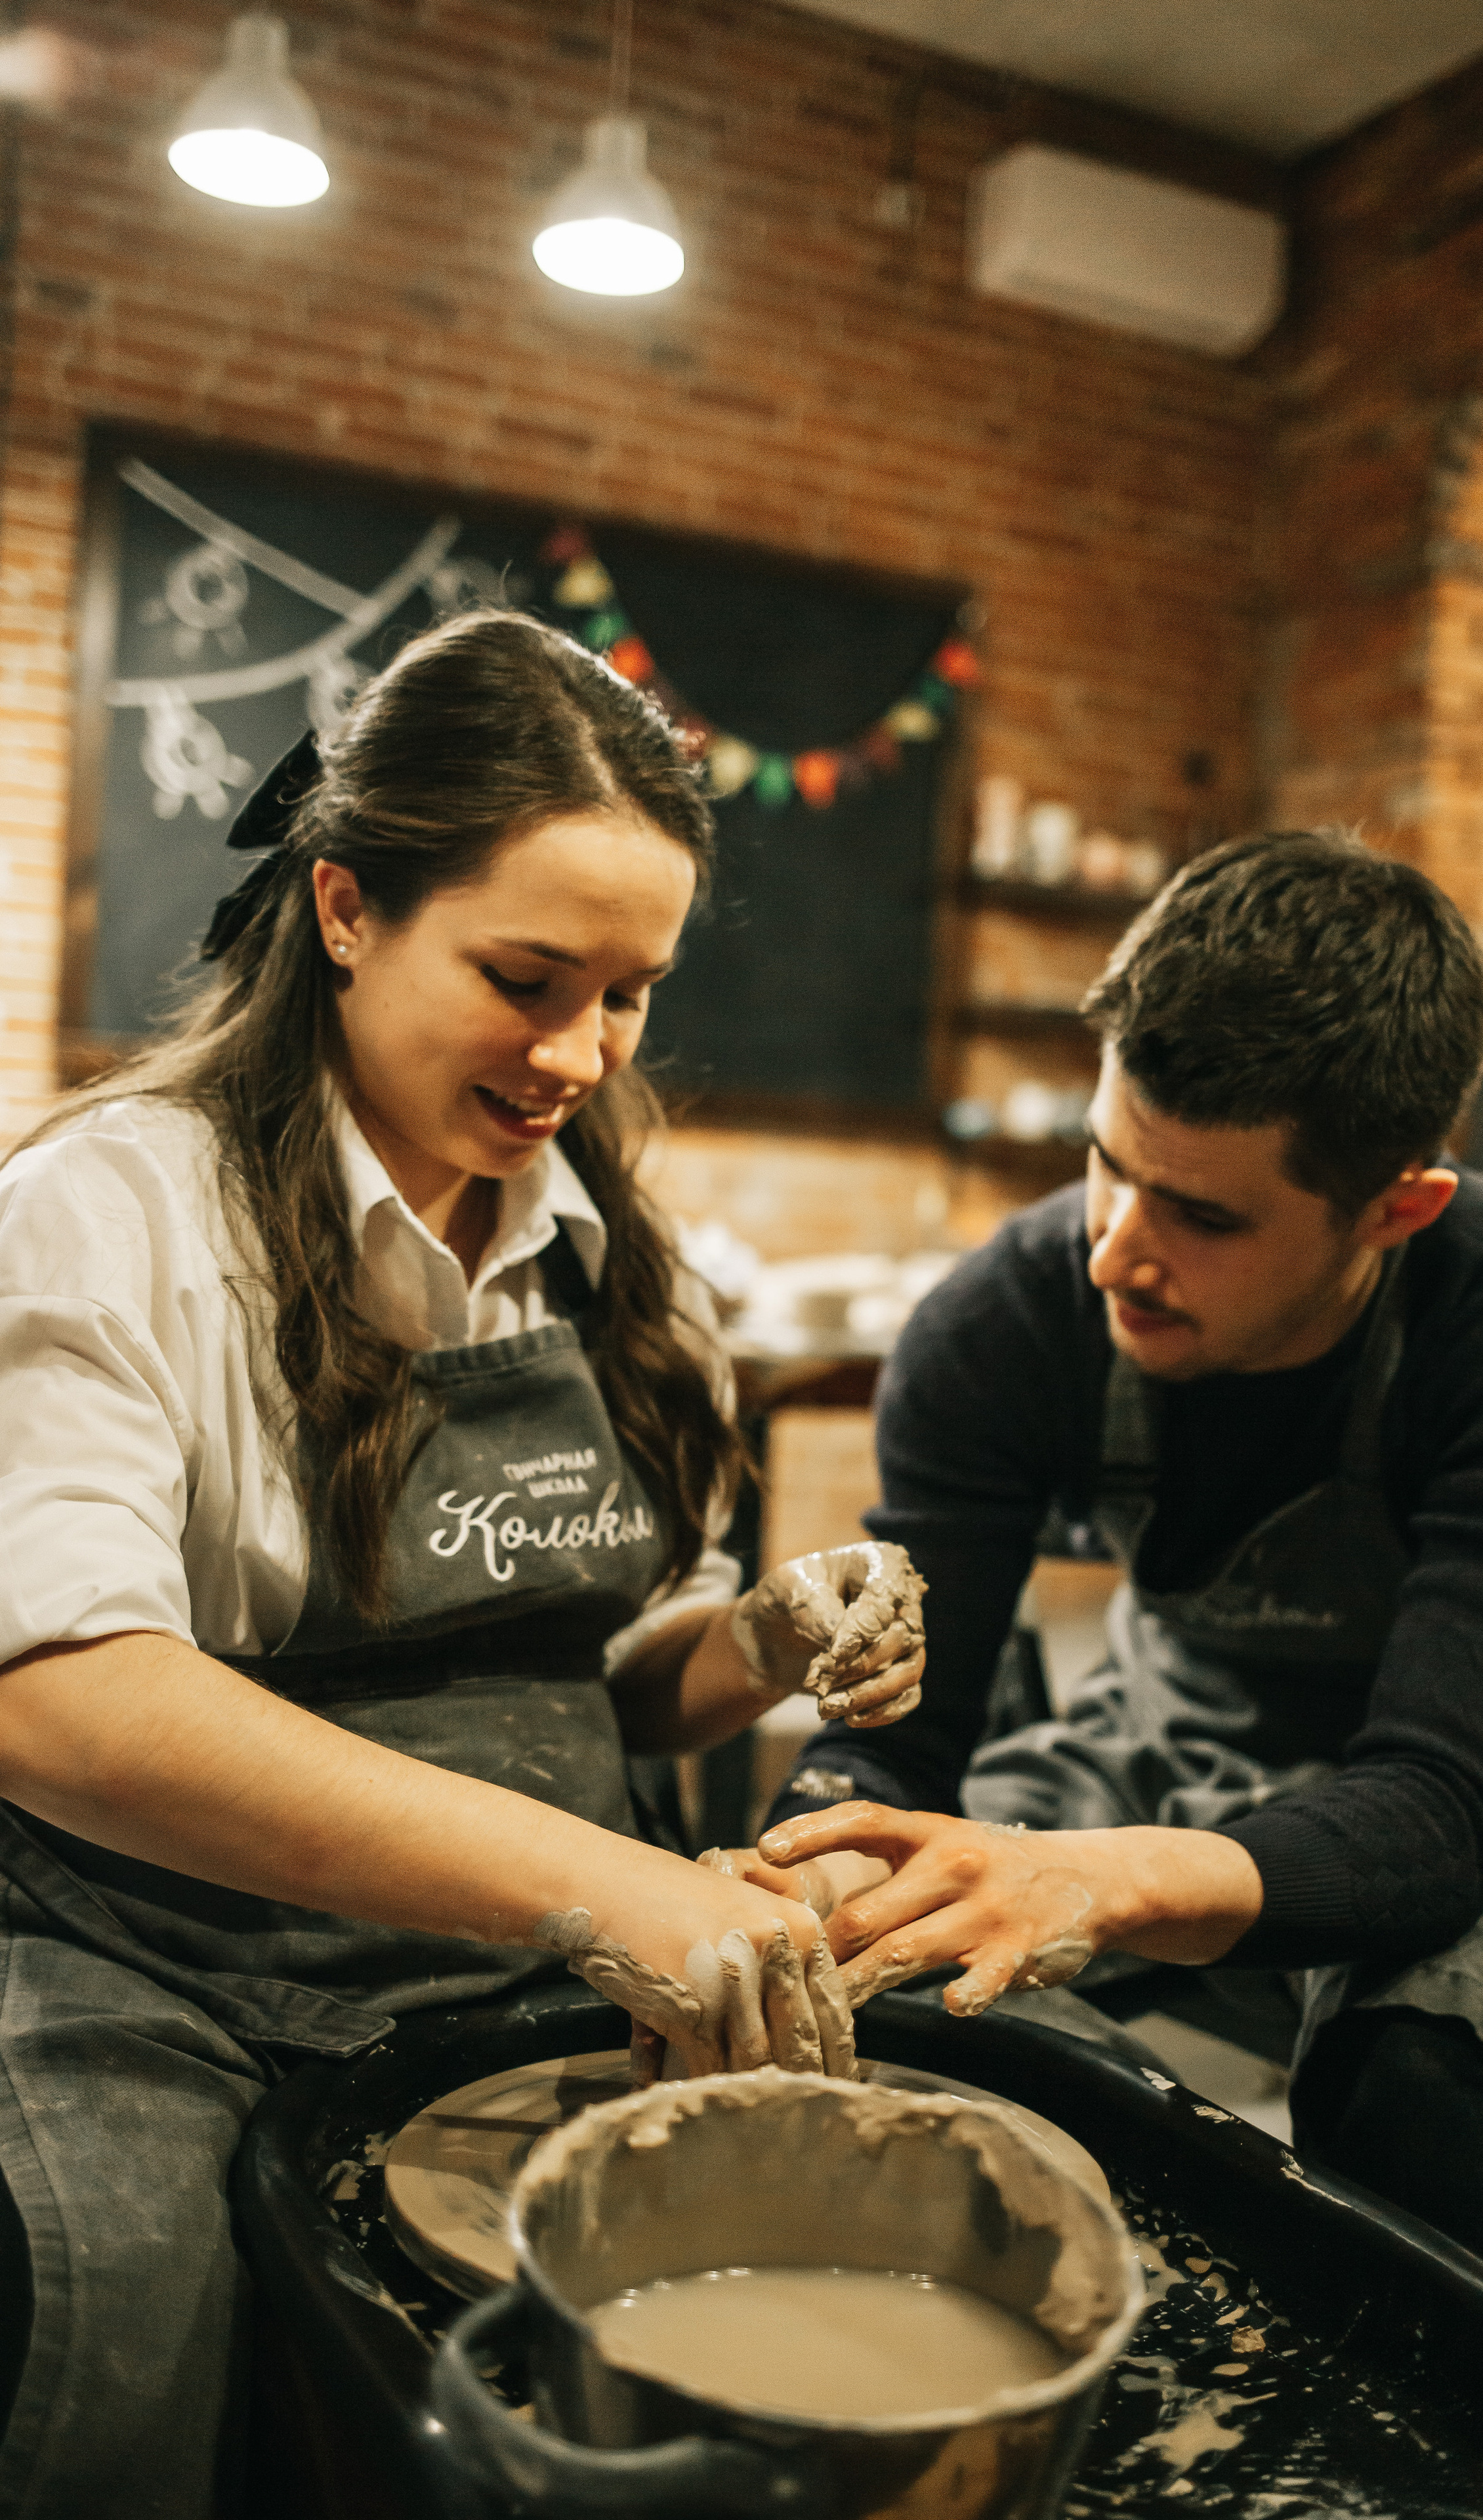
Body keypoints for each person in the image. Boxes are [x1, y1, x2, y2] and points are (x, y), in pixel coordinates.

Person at [0, 610, 925, 2520]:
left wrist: (751, 1637)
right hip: (151, 1963)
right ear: (343, 908)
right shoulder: (116, 1211)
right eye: (527, 976)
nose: (580, 1052)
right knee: (132, 2353)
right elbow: (63, 1696)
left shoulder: (610, 1252)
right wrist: (612, 1890)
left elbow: (582, 1677)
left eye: (634, 994)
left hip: (501, 1965)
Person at [747, 829, 1483, 2320]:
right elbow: (895, 1743)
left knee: (1406, 2071)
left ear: (1395, 1208)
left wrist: (1090, 1884)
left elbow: (1433, 1818)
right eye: (1108, 1166)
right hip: (1173, 1723)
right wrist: (814, 1877)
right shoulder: (1001, 1325)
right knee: (887, 1964)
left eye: (1203, 1215)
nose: (1116, 1249)